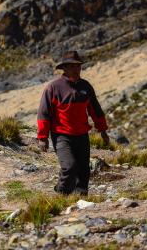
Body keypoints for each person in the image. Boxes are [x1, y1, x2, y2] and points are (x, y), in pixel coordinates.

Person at [37, 51, 110, 196]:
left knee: (84, 170)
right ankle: (62, 192)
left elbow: (95, 110)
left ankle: (81, 198)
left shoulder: (86, 87)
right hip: (62, 136)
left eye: (78, 66)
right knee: (69, 167)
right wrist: (43, 137)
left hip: (82, 135)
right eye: (71, 66)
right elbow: (43, 113)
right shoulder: (53, 88)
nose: (76, 69)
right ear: (64, 68)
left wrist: (103, 131)